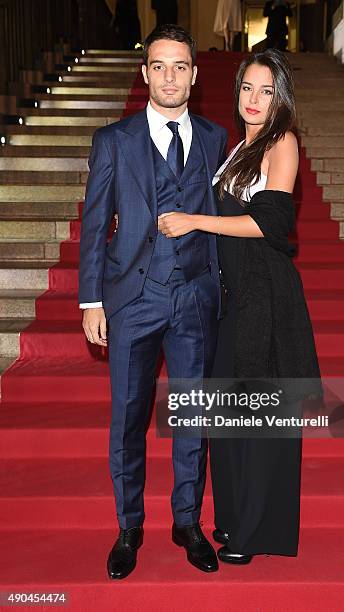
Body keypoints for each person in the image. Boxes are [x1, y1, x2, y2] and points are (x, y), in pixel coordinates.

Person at [157, 49, 321, 563]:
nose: (254, 99)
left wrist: (194, 221)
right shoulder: (238, 148)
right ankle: (232, 522)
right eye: (248, 88)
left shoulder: (282, 142)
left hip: (264, 298)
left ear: (281, 98)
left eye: (266, 91)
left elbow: (270, 224)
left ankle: (255, 532)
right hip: (233, 296)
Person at [78, 24, 228, 578]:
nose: (170, 76)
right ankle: (129, 525)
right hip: (131, 300)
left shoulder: (215, 138)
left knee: (194, 417)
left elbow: (221, 220)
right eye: (159, 66)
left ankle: (187, 521)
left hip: (194, 298)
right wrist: (90, 301)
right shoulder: (113, 140)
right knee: (128, 419)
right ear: (144, 74)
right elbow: (95, 225)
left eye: (180, 66)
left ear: (194, 73)